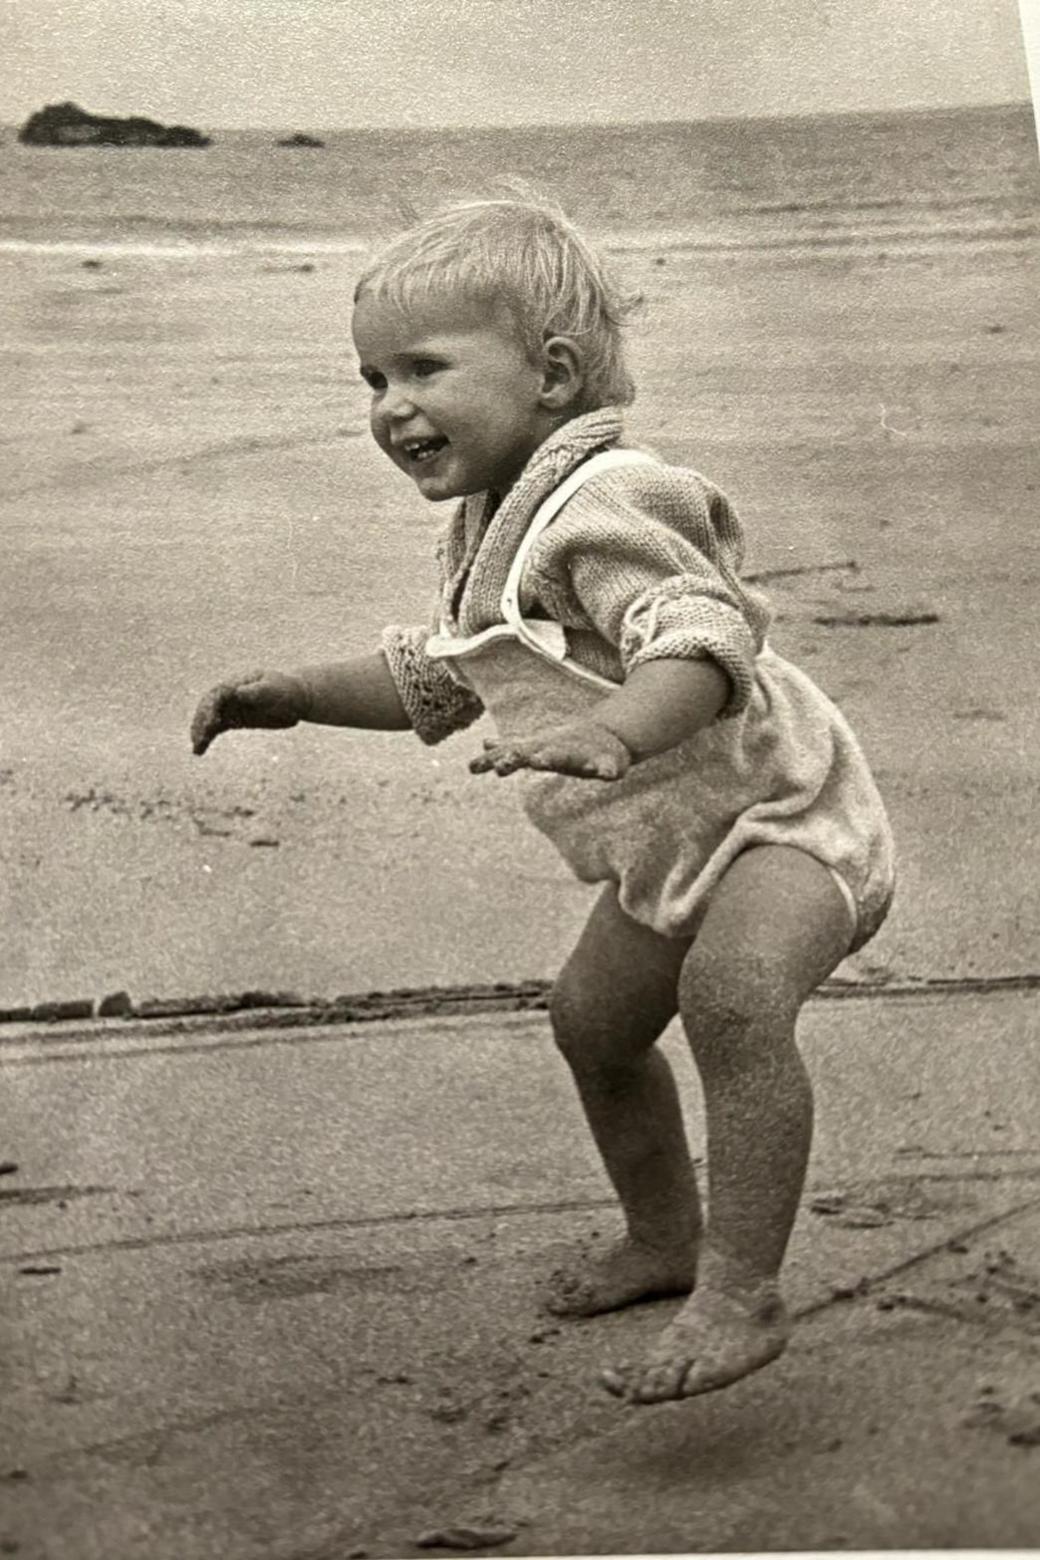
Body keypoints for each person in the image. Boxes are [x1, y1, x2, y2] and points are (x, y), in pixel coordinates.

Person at [190, 196, 895, 1406]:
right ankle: (662, 1236)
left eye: (422, 367)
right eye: (370, 377)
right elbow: (446, 678)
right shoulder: (492, 526)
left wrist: (616, 731)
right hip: (663, 845)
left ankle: (738, 1288)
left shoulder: (615, 498)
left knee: (732, 1001)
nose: (388, 405)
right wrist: (296, 692)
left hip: (782, 821)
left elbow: (693, 635)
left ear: (553, 374)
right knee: (591, 1025)